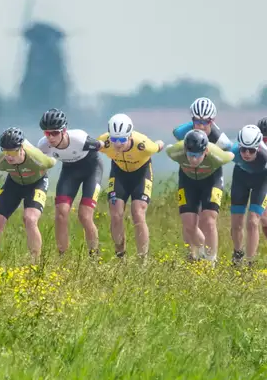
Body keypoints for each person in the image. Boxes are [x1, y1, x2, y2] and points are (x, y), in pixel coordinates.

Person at [35, 108, 103, 256]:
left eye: (55, 133)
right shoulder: (43, 145)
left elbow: (102, 145)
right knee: (61, 212)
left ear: (64, 131)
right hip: (70, 172)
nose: (51, 137)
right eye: (47, 133)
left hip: (92, 170)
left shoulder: (79, 139)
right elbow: (39, 164)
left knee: (84, 215)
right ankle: (62, 257)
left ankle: (94, 256)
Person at [97, 114, 165, 258]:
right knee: (116, 214)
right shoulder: (104, 142)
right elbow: (88, 146)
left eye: (122, 139)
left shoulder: (143, 145)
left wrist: (159, 144)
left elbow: (159, 146)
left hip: (141, 174)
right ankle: (120, 256)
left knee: (138, 213)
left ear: (130, 136)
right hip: (119, 173)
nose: (118, 144)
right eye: (114, 139)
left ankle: (142, 259)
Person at [0, 127, 57, 262]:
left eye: (13, 151)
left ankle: (35, 263)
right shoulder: (0, 161)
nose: (9, 156)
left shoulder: (36, 158)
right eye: (5, 151)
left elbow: (51, 161)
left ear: (22, 148)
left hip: (36, 183)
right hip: (14, 184)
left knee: (30, 219)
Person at [166, 129, 233, 263]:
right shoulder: (176, 152)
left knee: (209, 220)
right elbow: (167, 148)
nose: (194, 159)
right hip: (188, 182)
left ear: (206, 151)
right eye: (190, 154)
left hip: (211, 181)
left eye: (198, 155)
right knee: (188, 224)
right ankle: (202, 253)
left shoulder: (217, 155)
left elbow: (231, 154)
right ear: (185, 150)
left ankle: (211, 261)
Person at [228, 125, 267, 264]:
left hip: (262, 181)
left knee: (252, 222)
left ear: (258, 148)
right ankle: (238, 255)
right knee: (236, 223)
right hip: (240, 179)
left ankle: (250, 262)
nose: (247, 154)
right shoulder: (232, 150)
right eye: (243, 149)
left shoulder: (265, 155)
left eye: (251, 150)